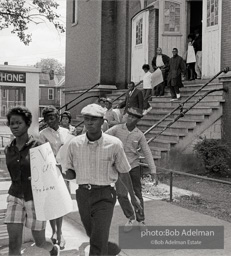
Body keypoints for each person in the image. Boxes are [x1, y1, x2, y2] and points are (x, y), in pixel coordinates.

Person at [62, 103, 142, 256]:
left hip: (105, 196)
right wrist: (60, 172)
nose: (90, 122)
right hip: (83, 195)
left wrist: (134, 197)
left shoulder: (114, 144)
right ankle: (110, 249)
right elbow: (71, 173)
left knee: (97, 242)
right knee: (93, 234)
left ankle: (102, 250)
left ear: (102, 122)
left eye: (94, 119)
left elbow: (124, 172)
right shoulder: (74, 144)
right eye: (87, 119)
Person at [4, 106, 60, 256]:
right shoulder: (8, 149)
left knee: (40, 242)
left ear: (28, 124)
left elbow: (52, 174)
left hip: (36, 199)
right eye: (12, 123)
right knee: (14, 243)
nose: (14, 126)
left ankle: (53, 250)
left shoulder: (39, 146)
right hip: (15, 197)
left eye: (18, 123)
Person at [105, 107, 158, 232]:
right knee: (122, 195)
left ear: (138, 120)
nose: (130, 118)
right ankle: (130, 217)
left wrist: (153, 171)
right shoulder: (117, 129)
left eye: (134, 117)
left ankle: (141, 220)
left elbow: (147, 152)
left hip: (133, 166)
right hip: (119, 168)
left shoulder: (139, 134)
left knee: (137, 194)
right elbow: (104, 136)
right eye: (129, 116)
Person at [39, 106, 69, 250]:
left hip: (63, 172)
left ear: (58, 116)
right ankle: (54, 232)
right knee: (52, 202)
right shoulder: (42, 134)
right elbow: (43, 154)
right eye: (46, 119)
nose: (49, 121)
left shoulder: (67, 132)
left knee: (61, 202)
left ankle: (61, 232)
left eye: (52, 118)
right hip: (50, 172)